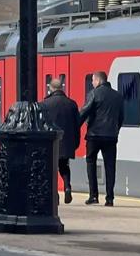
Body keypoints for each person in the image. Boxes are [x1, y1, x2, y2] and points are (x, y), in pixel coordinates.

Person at [79, 70, 124, 206]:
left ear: (98, 81)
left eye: (93, 80)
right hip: (111, 136)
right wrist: (115, 130)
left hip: (94, 135)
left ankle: (93, 196)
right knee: (110, 166)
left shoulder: (94, 94)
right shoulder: (118, 96)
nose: (92, 83)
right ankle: (109, 198)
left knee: (91, 162)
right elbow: (121, 117)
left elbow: (84, 112)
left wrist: (75, 126)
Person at [39, 78, 80, 204]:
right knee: (64, 166)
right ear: (61, 87)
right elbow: (77, 125)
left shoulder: (45, 104)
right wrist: (75, 142)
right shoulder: (72, 104)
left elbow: (41, 125)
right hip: (66, 142)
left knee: (51, 168)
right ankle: (67, 187)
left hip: (51, 142)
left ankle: (54, 195)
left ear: (50, 88)